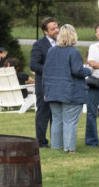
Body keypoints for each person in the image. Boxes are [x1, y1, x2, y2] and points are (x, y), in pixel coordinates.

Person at [43, 24, 92, 152]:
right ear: (73, 35)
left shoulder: (51, 51)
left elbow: (46, 72)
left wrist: (45, 91)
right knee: (70, 121)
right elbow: (77, 71)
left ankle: (56, 147)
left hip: (53, 91)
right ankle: (70, 149)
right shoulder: (73, 51)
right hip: (70, 92)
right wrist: (89, 70)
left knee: (57, 121)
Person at [30, 17, 59, 148]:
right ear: (45, 32)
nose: (56, 30)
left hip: (59, 84)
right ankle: (41, 142)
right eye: (53, 29)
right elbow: (34, 65)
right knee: (43, 113)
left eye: (57, 27)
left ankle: (57, 141)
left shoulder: (62, 42)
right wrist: (51, 70)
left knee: (57, 113)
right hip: (44, 84)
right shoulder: (39, 45)